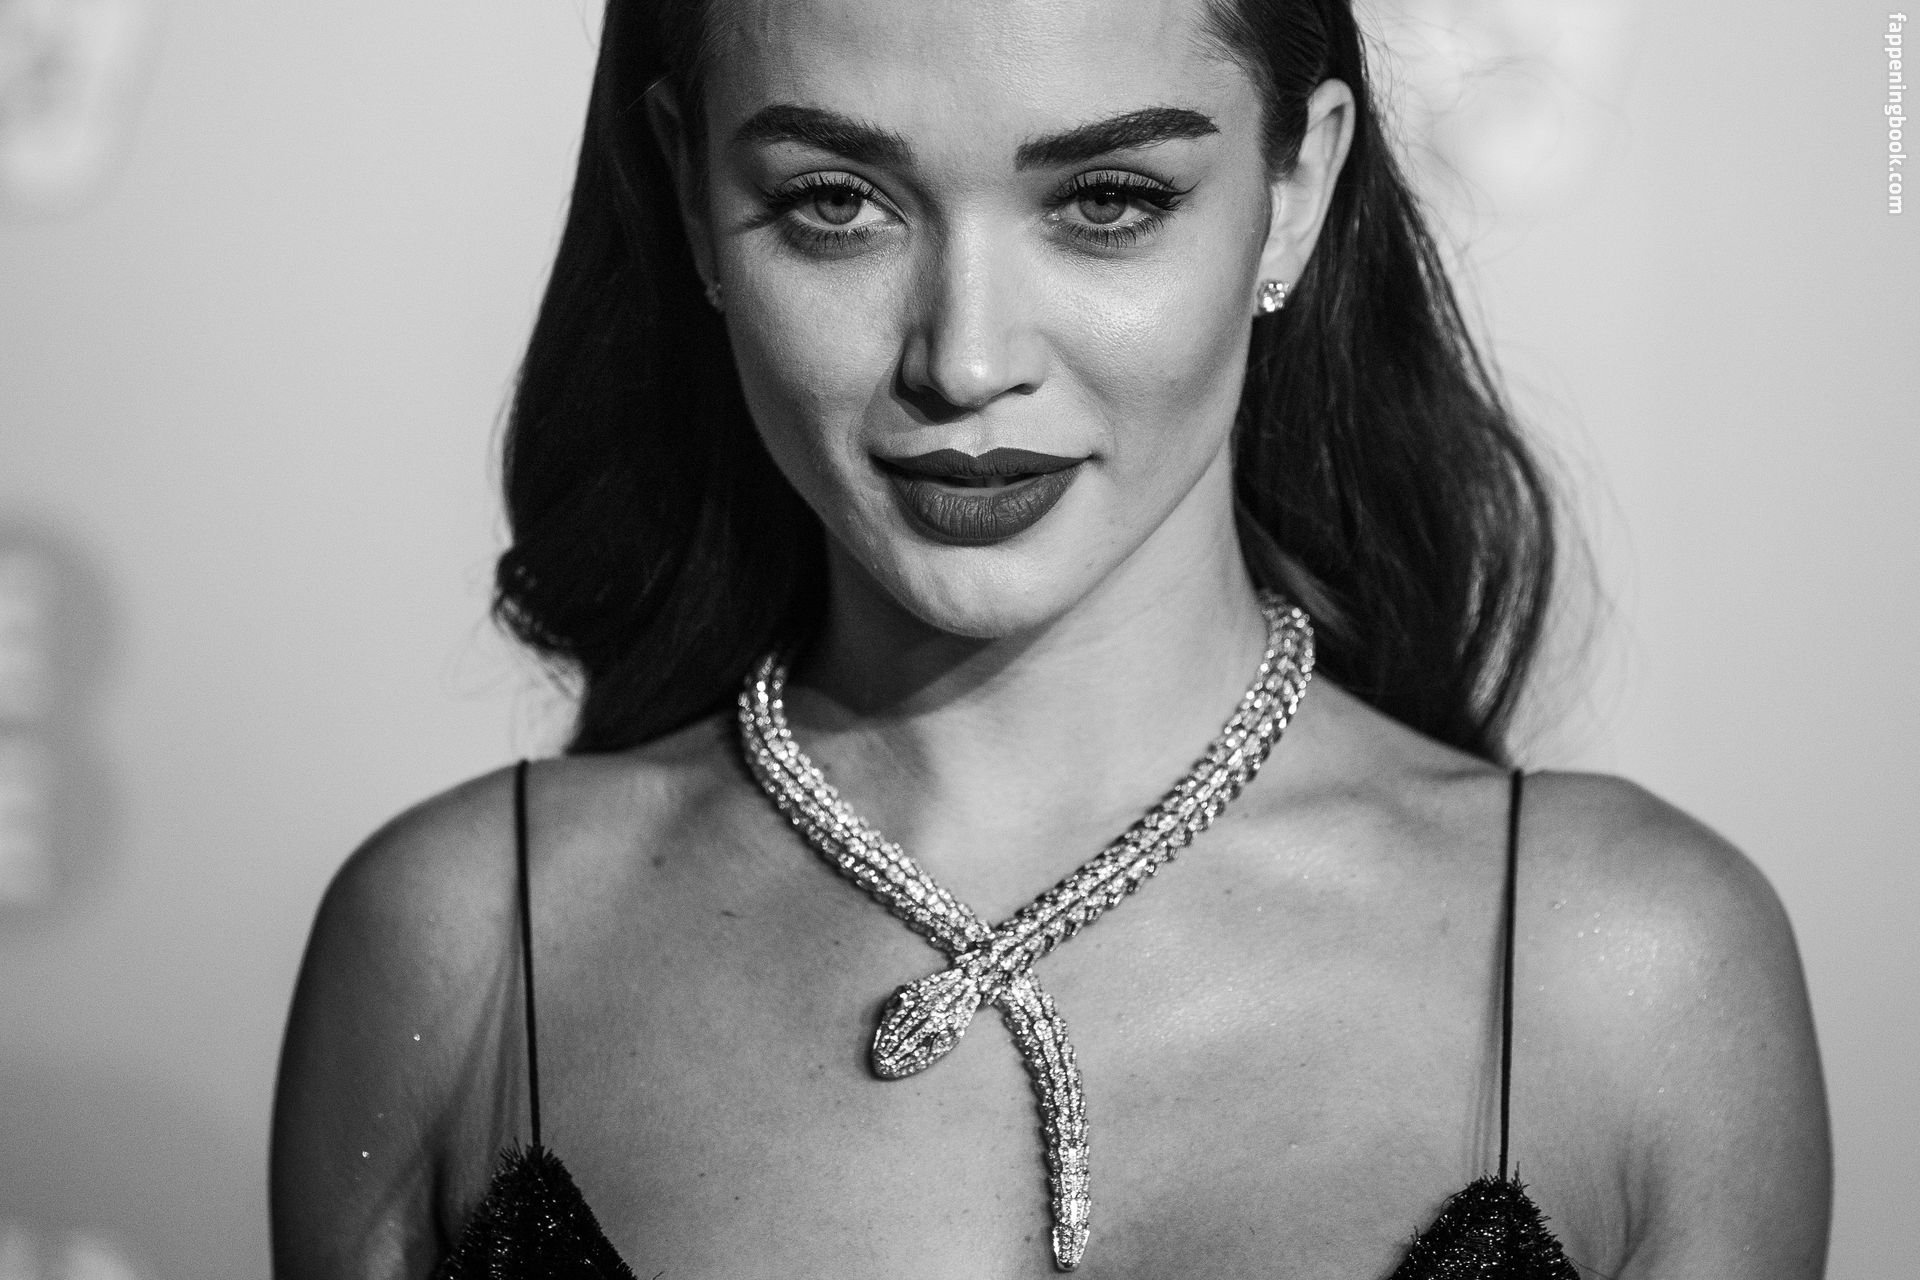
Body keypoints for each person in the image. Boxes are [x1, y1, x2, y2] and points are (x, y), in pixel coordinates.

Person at [268, 0, 1831, 1275]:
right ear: (690, 196)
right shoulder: (465, 950)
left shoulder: (1633, 975)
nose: (966, 359)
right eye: (836, 203)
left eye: (1107, 202)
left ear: (1295, 191)